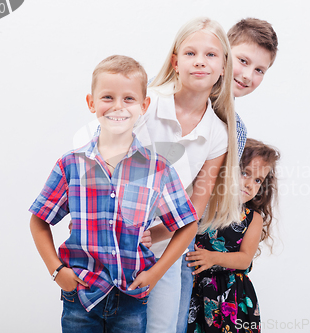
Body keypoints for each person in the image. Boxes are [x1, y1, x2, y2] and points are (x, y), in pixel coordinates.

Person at [29, 55, 199, 333]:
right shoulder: (71, 164)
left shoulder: (158, 169)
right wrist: (58, 272)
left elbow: (188, 224)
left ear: (144, 106)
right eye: (108, 97)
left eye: (129, 99)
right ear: (91, 103)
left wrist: (156, 273)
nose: (118, 107)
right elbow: (39, 220)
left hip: (131, 298)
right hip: (80, 296)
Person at [134, 17, 241, 333]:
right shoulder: (147, 104)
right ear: (175, 62)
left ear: (224, 67)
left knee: (161, 328)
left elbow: (195, 205)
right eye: (191, 53)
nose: (200, 62)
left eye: (211, 55)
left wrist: (153, 236)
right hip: (116, 239)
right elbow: (107, 167)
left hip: (166, 247)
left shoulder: (219, 134)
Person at [176, 17, 279, 333]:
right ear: (222, 54)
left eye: (260, 70)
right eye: (243, 61)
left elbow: (206, 196)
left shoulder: (237, 130)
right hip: (135, 231)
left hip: (181, 245)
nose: (248, 75)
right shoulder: (170, 95)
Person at [186, 138, 280, 333]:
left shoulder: (252, 219)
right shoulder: (202, 205)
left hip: (232, 297)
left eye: (257, 180)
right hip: (196, 291)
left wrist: (213, 257)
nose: (249, 184)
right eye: (244, 173)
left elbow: (245, 259)